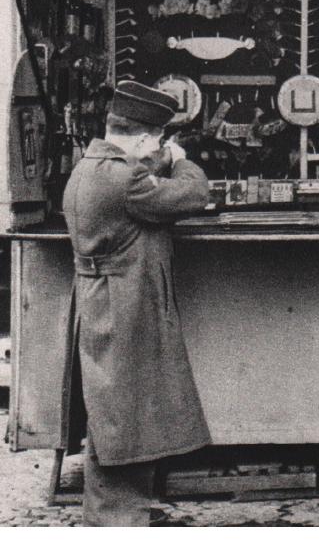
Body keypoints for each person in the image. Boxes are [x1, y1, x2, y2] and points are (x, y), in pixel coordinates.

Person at [59, 81, 212, 526]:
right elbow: (192, 194)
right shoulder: (125, 179)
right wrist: (181, 161)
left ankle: (110, 519)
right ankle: (119, 526)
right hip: (125, 312)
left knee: (111, 422)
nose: (160, 148)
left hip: (106, 307)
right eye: (159, 140)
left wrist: (159, 158)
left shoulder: (91, 167)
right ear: (144, 139)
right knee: (126, 425)